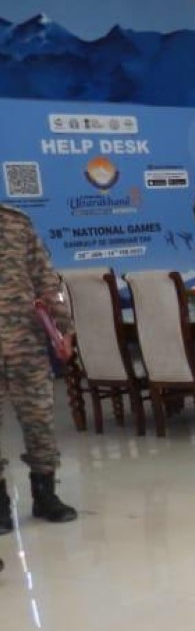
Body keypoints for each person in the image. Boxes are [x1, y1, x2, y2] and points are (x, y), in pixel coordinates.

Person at [0, 205, 77, 531]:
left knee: (40, 420)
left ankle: (45, 494)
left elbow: (45, 277)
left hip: (25, 343)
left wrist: (65, 328)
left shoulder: (17, 222)